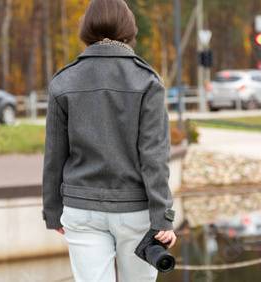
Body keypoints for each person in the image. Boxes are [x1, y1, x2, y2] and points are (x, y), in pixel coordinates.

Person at [41, 0, 176, 281]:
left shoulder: (64, 81)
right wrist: (162, 216)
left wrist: (53, 211)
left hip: (81, 208)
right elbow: (154, 156)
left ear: (86, 29)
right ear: (128, 30)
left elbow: (54, 154)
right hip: (135, 211)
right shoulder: (147, 81)